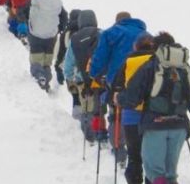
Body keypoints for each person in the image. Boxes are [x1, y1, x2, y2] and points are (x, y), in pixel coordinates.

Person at [118, 32, 190, 184]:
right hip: (179, 126)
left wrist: (119, 98)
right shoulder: (184, 68)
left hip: (155, 125)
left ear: (156, 47)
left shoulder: (151, 65)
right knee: (170, 174)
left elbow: (132, 97)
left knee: (155, 174)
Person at [89, 11, 148, 157]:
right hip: (144, 81)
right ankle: (141, 146)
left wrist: (95, 73)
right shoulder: (146, 35)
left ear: (117, 21)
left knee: (117, 113)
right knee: (140, 112)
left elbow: (100, 56)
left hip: (117, 80)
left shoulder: (110, 33)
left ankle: (119, 147)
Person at [112, 33, 156, 184]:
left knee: (134, 156)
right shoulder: (157, 62)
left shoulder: (128, 61)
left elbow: (116, 86)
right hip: (153, 116)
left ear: (136, 46)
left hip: (131, 116)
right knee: (151, 158)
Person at [16, 0, 66, 91]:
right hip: (51, 37)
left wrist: (26, 20)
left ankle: (40, 76)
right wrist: (59, 29)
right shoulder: (55, 2)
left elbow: (19, 11)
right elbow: (64, 17)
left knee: (36, 59)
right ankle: (46, 81)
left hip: (35, 36)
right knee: (47, 62)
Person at [64, 10, 103, 142]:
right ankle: (101, 132)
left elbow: (68, 64)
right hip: (101, 78)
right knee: (100, 108)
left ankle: (90, 136)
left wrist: (71, 78)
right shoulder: (102, 34)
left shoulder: (74, 38)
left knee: (87, 109)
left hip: (83, 80)